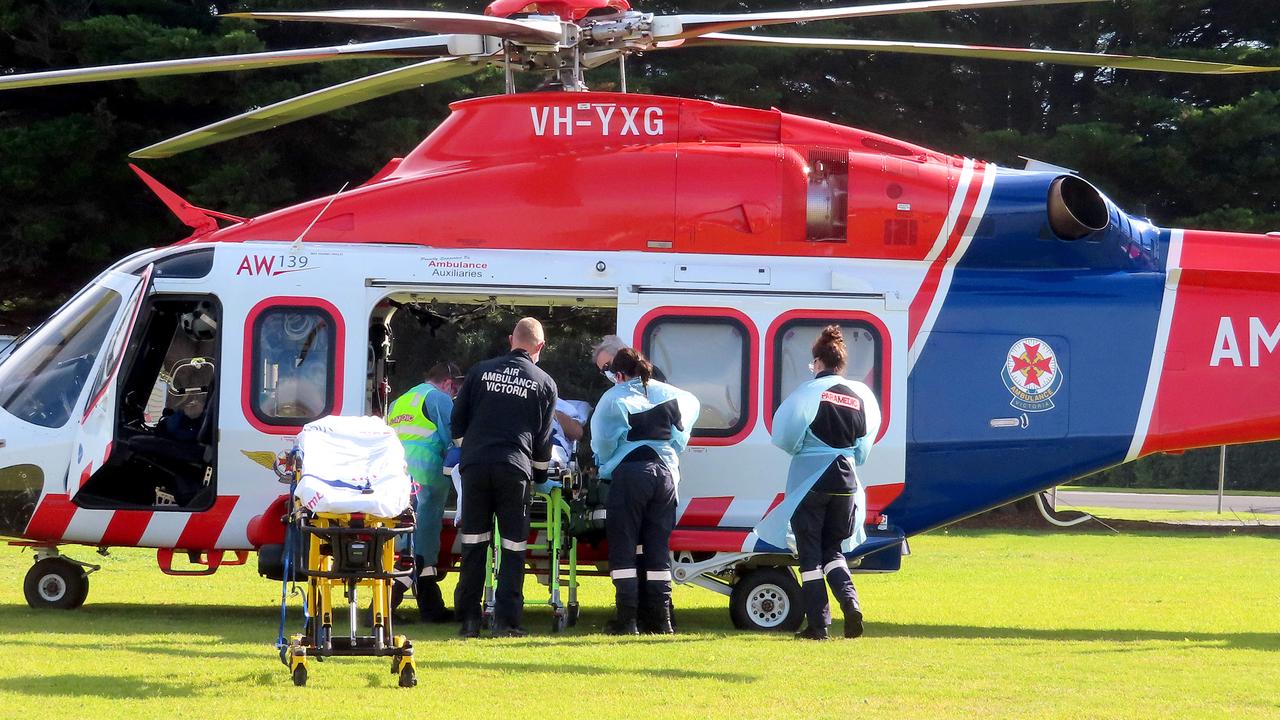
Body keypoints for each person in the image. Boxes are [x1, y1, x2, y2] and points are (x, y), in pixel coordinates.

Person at [765, 326, 881, 641]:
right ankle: (850, 602)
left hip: (811, 481)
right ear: (841, 363)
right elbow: (863, 447)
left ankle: (818, 625)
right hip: (846, 482)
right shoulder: (861, 396)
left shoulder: (806, 393)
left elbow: (785, 437)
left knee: (810, 554)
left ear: (817, 362)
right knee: (834, 550)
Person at [451, 318, 558, 638]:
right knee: (513, 547)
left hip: (476, 467)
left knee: (474, 543)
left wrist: (469, 451)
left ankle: (469, 620)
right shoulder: (544, 382)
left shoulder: (480, 371)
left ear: (512, 339)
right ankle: (506, 622)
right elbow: (543, 441)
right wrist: (540, 477)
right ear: (540, 347)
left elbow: (457, 421)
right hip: (515, 470)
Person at [591, 348, 700, 635]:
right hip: (665, 476)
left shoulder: (615, 397)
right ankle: (661, 620)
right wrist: (672, 450)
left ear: (619, 373)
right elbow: (685, 422)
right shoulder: (670, 394)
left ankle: (627, 620)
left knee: (624, 548)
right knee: (657, 549)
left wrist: (603, 465)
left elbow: (602, 441)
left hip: (630, 474)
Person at [387, 361, 463, 623]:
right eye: (454, 390)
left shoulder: (399, 402)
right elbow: (454, 438)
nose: (454, 396)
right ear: (448, 383)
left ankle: (430, 607)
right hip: (429, 482)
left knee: (409, 546)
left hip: (398, 483)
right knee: (424, 546)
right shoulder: (439, 399)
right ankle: (389, 604)